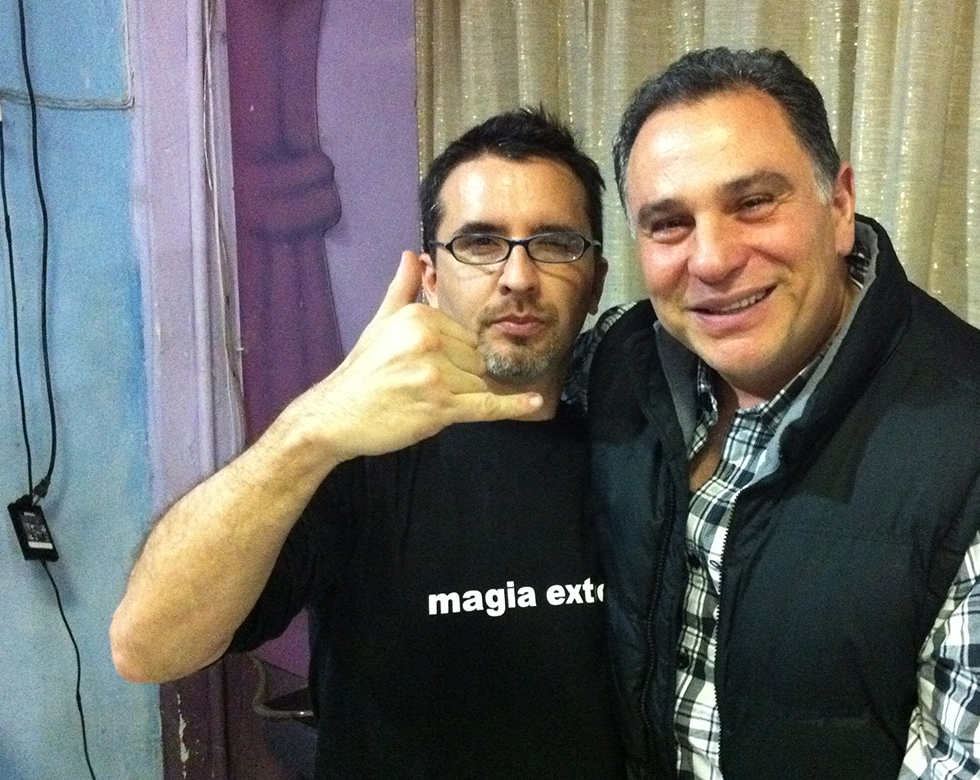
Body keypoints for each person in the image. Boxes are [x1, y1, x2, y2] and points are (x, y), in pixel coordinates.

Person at [575, 48, 980, 780]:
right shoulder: (620, 362)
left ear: (839, 206)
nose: (712, 259)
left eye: (753, 202)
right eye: (668, 223)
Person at [110, 108, 625, 779]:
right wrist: (313, 427)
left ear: (596, 281)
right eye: (479, 242)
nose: (518, 277)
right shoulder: (354, 462)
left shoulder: (640, 459)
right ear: (429, 279)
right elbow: (147, 648)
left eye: (554, 243)